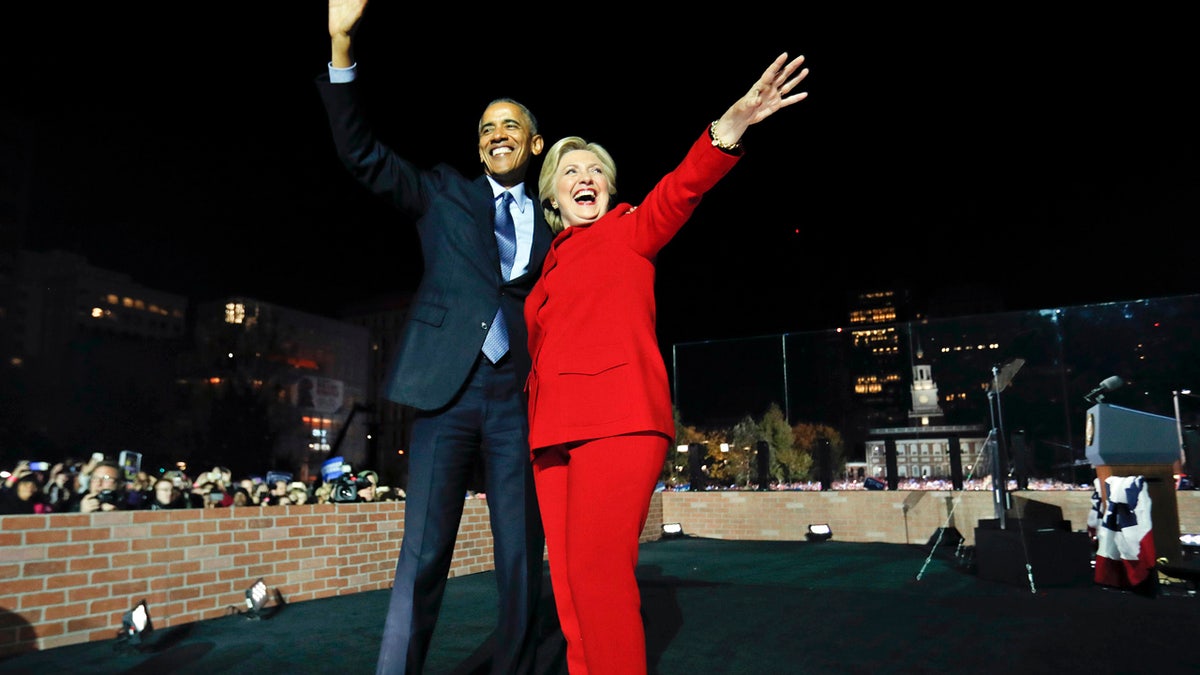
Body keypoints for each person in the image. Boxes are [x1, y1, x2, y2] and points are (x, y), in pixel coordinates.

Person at [524, 53, 810, 675]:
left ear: (609, 185)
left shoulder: (631, 228)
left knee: (600, 573)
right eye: (571, 169)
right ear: (551, 193)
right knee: (571, 585)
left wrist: (731, 124)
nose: (586, 175)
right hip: (551, 433)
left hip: (617, 421)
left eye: (596, 168)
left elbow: (682, 187)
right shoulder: (547, 266)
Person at [318, 2, 550, 673]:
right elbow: (360, 152)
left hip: (519, 399)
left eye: (510, 125)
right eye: (486, 127)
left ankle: (513, 665)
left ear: (536, 143)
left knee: (518, 555)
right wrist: (340, 47)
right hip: (446, 393)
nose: (495, 133)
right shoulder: (442, 191)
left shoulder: (555, 215)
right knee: (422, 553)